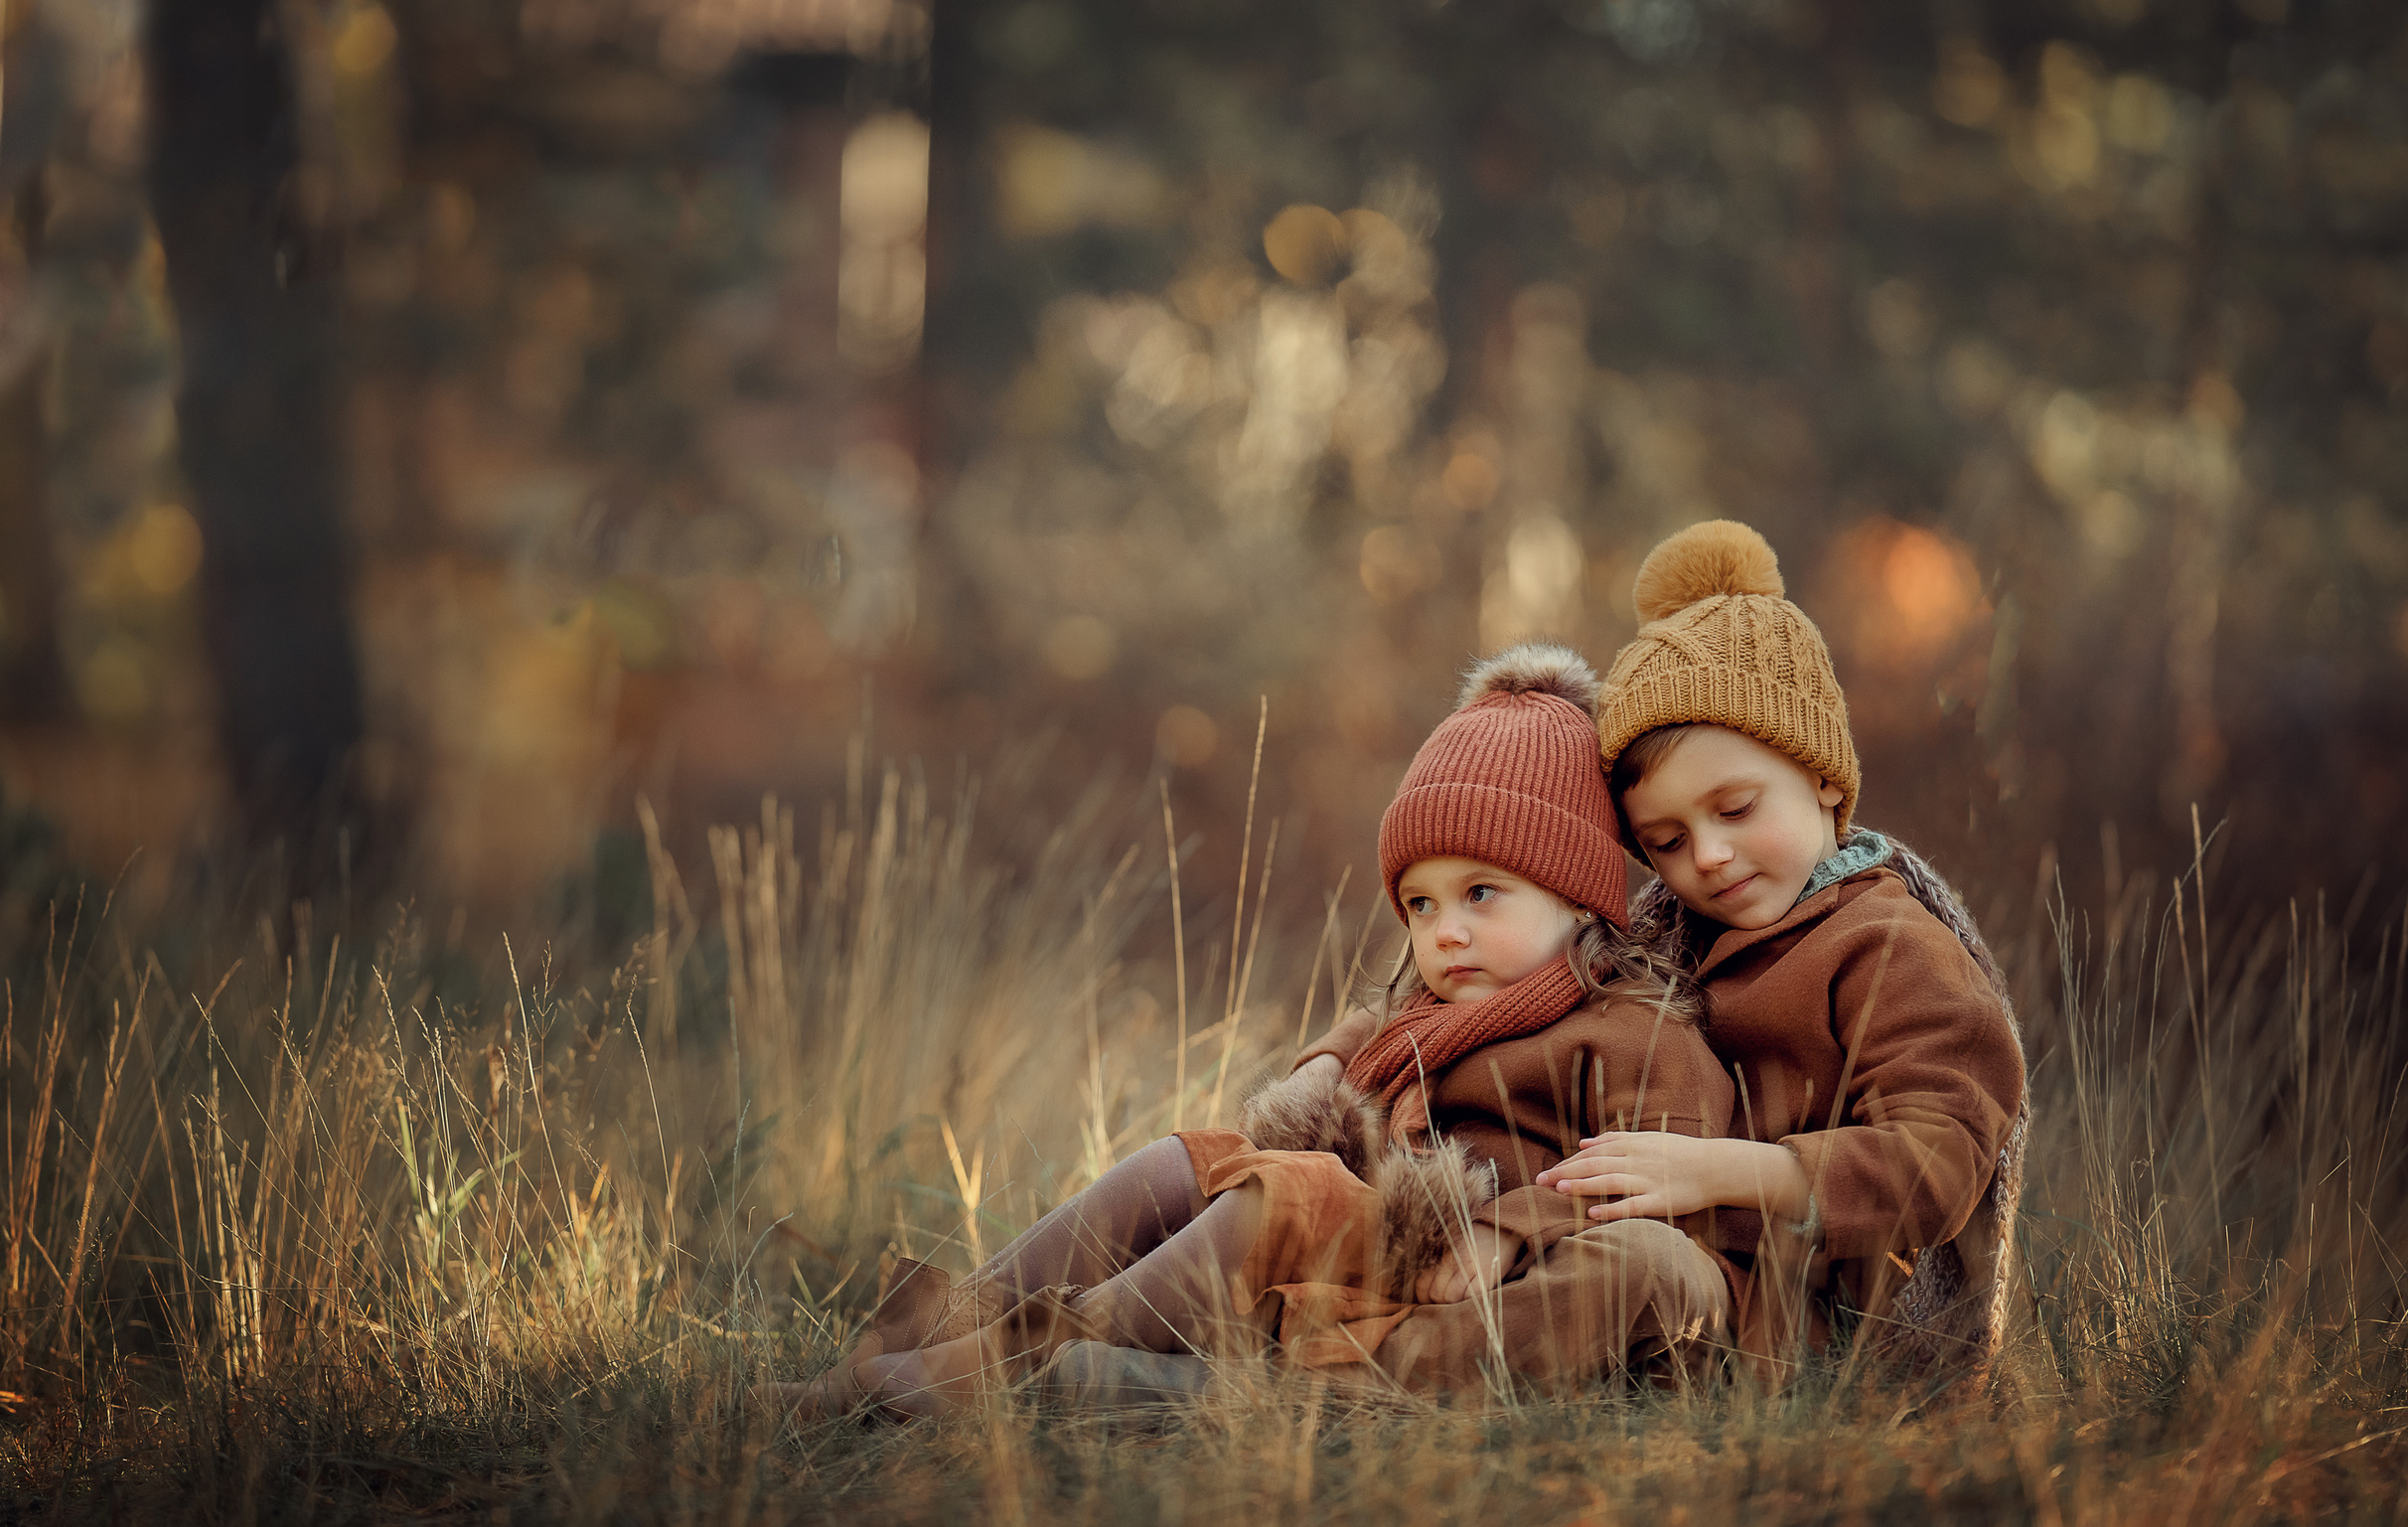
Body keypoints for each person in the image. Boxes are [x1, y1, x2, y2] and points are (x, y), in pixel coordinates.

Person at [767, 643, 1736, 1419]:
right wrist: (1319, 1075)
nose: (1444, 930)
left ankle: (1021, 1352)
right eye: (1419, 903)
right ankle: (933, 1325)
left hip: (1444, 1279)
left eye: (1481, 893)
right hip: (1352, 1250)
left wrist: (1505, 1231)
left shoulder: (1634, 1035)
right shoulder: (1430, 1013)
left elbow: (1665, 1187)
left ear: (1578, 894)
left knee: (1291, 1191)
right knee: (1179, 1162)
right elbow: (1363, 1034)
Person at [1538, 520, 2030, 1388]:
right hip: (1700, 1279)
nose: (1709, 857)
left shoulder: (1887, 942)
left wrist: (1713, 1171)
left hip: (1835, 1335)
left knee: (1608, 1286)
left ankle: (1341, 1382)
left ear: (1824, 777)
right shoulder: (1672, 939)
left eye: (1734, 809)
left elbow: (1938, 1160)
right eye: (1667, 840)